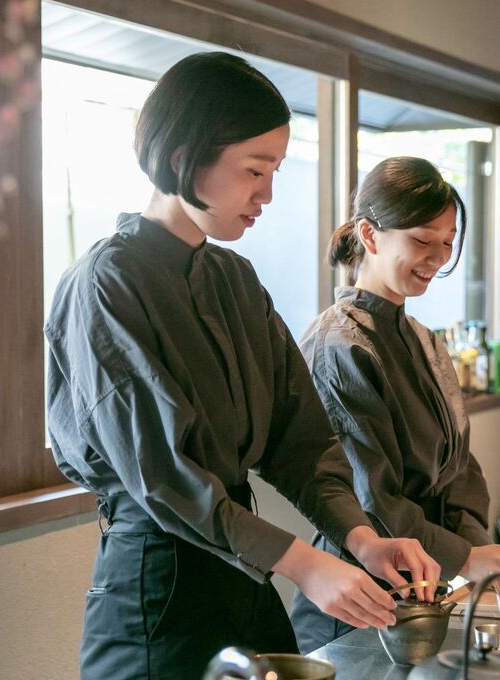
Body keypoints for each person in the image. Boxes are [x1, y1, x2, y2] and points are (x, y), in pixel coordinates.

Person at [44, 54, 440, 679]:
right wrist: (305, 565)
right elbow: (166, 476)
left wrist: (361, 538)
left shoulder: (234, 278)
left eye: (275, 169)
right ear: (182, 158)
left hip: (245, 583)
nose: (268, 194)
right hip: (156, 591)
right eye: (254, 170)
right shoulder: (106, 284)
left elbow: (301, 439)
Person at [289, 156, 500, 652]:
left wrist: (479, 552)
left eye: (447, 243)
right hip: (362, 599)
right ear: (370, 234)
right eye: (422, 240)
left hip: (430, 587)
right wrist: (466, 557)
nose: (438, 257)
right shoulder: (339, 346)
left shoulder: (425, 339)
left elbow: (460, 468)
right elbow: (371, 499)